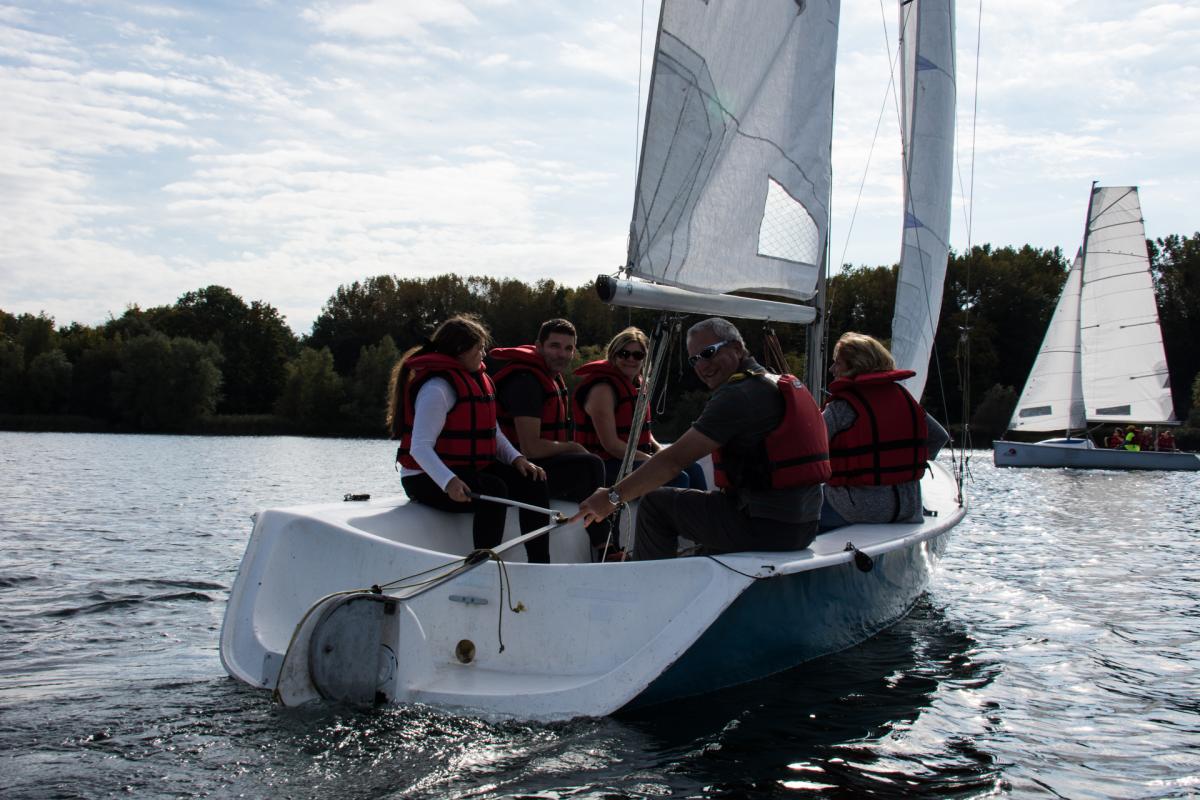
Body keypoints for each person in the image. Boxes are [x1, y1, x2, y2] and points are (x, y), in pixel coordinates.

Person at [573, 317, 829, 561]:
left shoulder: (739, 395)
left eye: (709, 353)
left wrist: (612, 498)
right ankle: (698, 559)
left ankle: (649, 584)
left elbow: (673, 462)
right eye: (694, 359)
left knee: (655, 504)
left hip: (766, 526)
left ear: (737, 348)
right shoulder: (771, 382)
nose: (702, 366)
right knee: (701, 500)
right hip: (802, 525)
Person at [388, 315, 552, 563]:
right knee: (494, 490)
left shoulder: (479, 380)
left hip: (467, 469)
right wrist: (449, 482)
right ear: (460, 350)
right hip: (425, 478)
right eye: (479, 348)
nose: (483, 355)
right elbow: (419, 448)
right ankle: (482, 564)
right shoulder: (437, 388)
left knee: (533, 480)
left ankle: (540, 562)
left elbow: (494, 432)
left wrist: (518, 459)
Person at [489, 318, 610, 555]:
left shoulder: (550, 379)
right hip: (515, 471)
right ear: (538, 346)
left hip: (540, 466)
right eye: (554, 346)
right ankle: (604, 546)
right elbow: (530, 448)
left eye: (568, 348)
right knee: (591, 464)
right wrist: (572, 447)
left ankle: (604, 542)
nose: (561, 354)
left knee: (598, 469)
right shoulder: (526, 383)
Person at [819, 333, 949, 528]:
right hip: (908, 509)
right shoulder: (904, 398)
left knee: (788, 511)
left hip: (855, 509)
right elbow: (939, 437)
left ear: (855, 366)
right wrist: (902, 464)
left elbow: (807, 447)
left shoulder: (843, 407)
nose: (831, 369)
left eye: (837, 363)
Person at [571, 326, 706, 489]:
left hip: (632, 459)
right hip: (604, 465)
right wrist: (652, 461)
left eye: (638, 355)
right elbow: (611, 445)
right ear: (613, 355)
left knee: (694, 469)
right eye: (624, 354)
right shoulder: (602, 390)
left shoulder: (637, 386)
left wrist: (659, 451)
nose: (631, 359)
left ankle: (704, 507)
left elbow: (643, 433)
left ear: (644, 359)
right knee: (676, 477)